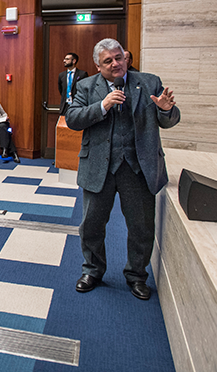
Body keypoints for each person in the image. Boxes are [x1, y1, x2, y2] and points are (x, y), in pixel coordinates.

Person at [67, 38, 180, 301]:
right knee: (91, 226)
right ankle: (93, 270)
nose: (116, 64)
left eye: (119, 57)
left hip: (138, 168)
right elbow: (73, 118)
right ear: (98, 65)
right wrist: (102, 106)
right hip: (99, 168)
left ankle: (137, 275)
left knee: (141, 227)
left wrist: (166, 110)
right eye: (108, 61)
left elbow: (170, 120)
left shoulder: (150, 82)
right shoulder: (85, 86)